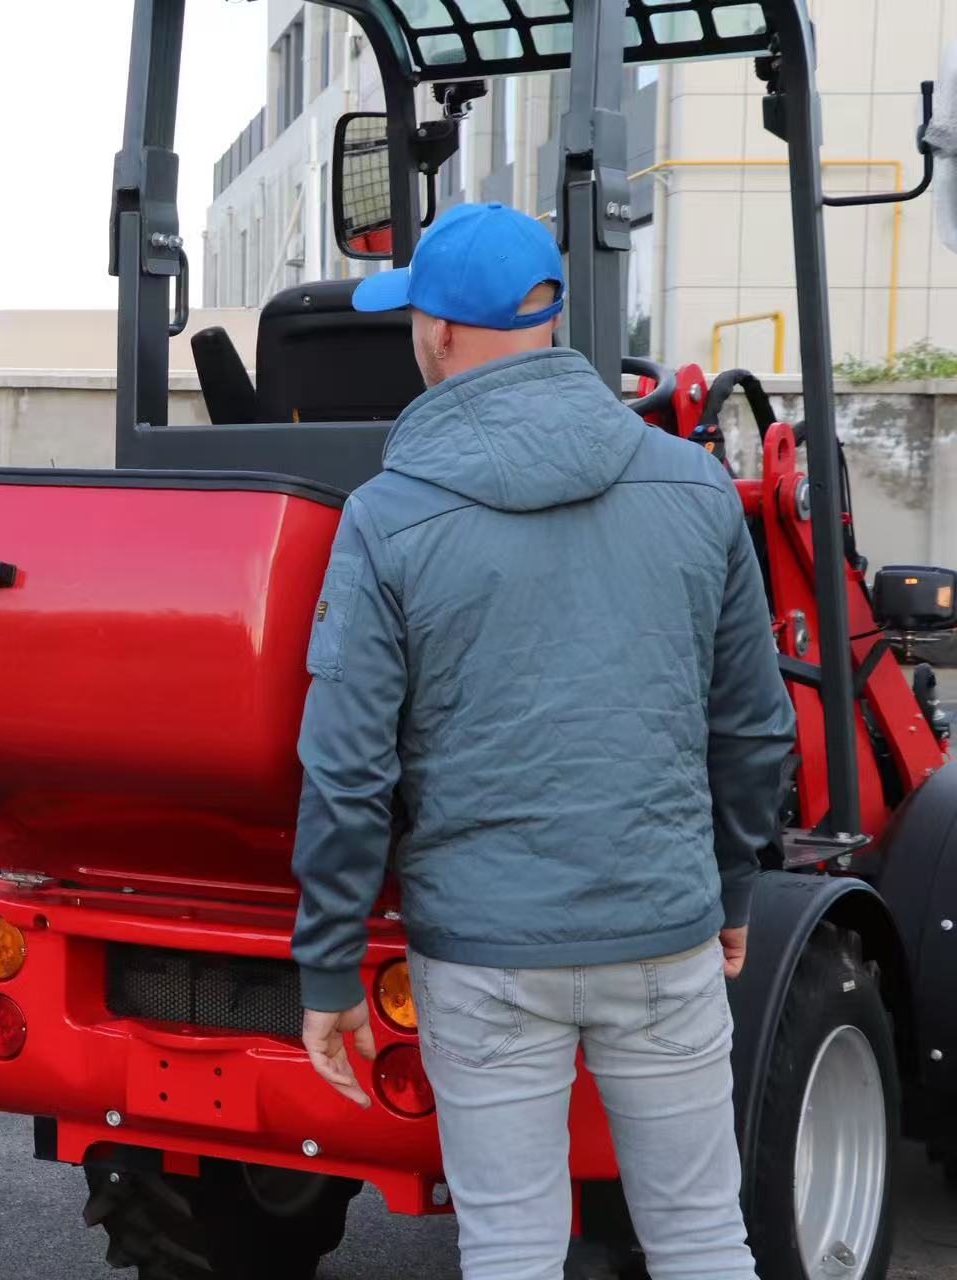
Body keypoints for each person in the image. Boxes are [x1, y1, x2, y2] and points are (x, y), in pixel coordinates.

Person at [291, 203, 791, 1280]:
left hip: (483, 949)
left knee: (512, 1245)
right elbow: (753, 723)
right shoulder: (696, 486)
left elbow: (346, 767)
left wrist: (328, 963)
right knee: (705, 1234)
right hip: (663, 925)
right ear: (549, 317)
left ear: (439, 333)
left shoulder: (388, 515)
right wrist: (732, 886)